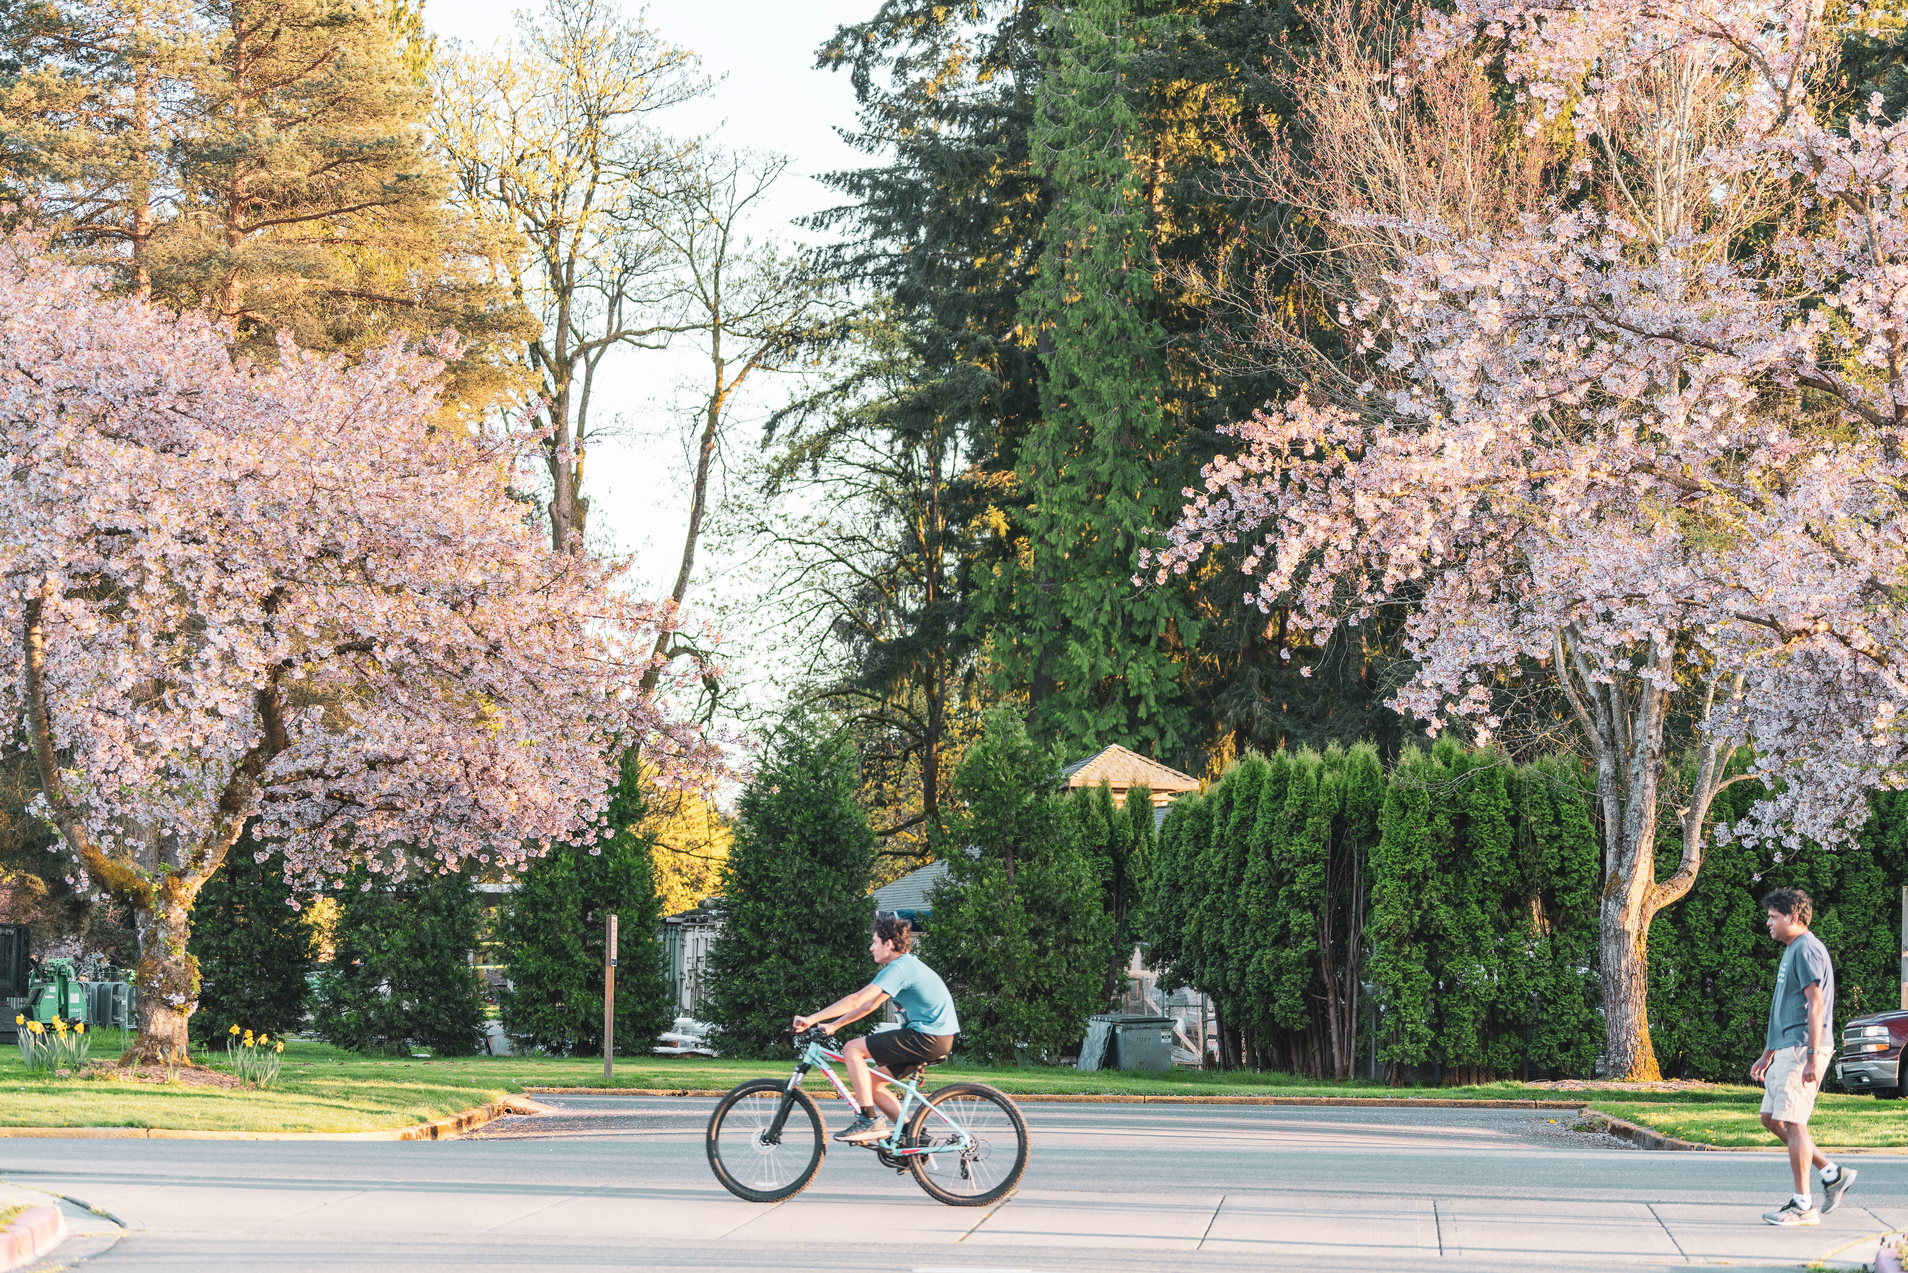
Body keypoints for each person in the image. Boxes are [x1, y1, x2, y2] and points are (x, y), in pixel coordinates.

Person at [791, 913, 960, 1144]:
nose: (871, 948)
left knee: (852, 1049)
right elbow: (869, 1005)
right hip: (935, 1038)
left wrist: (811, 1019)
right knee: (873, 1083)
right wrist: (834, 1025)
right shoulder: (904, 966)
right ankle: (914, 1138)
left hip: (926, 1036)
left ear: (888, 944)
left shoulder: (900, 968)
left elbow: (856, 1000)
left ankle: (867, 1119)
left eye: (874, 942)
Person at [1750, 887, 1855, 1225]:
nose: (1769, 922)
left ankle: (1804, 1206)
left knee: (1795, 1123)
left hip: (1802, 1047)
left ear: (1793, 918)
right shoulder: (1793, 949)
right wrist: (1767, 1054)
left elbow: (1816, 1003)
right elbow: (1784, 1008)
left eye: (1774, 917)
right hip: (1786, 1047)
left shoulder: (1807, 948)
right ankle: (1831, 1172)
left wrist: (1811, 1055)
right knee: (1771, 1118)